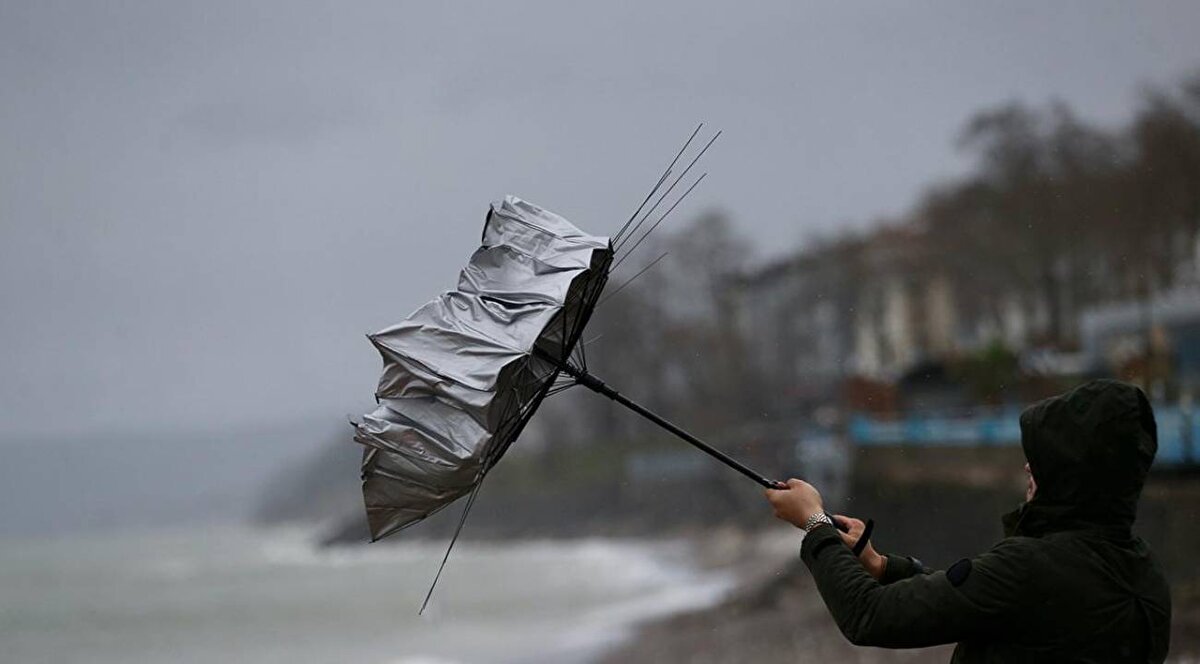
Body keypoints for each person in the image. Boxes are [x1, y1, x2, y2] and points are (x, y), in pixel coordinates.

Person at [766, 379, 1172, 662]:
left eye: (1047, 458)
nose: (1029, 466)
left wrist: (815, 523)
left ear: (1074, 472)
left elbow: (870, 616)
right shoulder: (1144, 575)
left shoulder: (1030, 569)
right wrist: (882, 566)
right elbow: (984, 603)